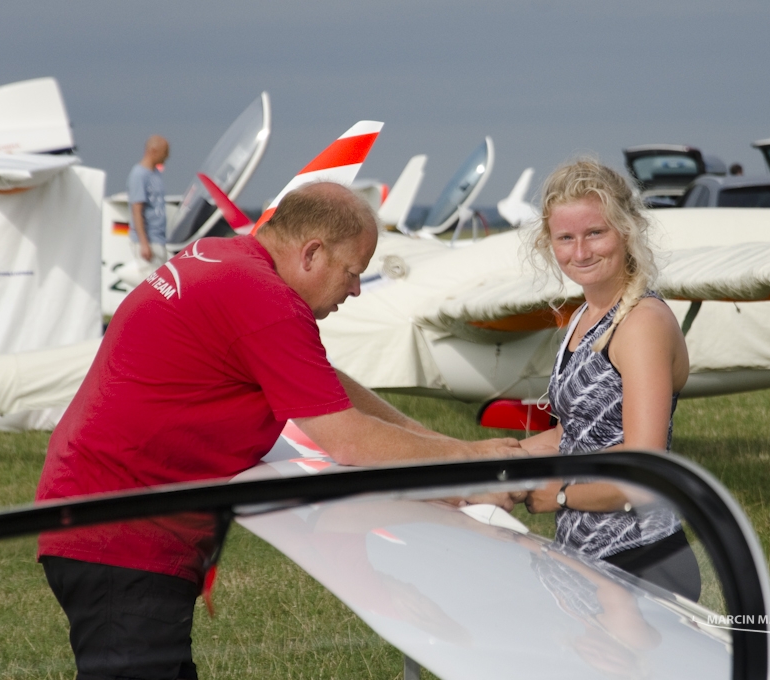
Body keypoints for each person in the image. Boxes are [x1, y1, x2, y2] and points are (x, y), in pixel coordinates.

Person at [35, 182, 523, 680]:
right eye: (352, 273)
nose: (355, 289)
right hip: (123, 537)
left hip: (98, 516)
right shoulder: (264, 298)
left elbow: (325, 383)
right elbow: (348, 440)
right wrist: (465, 469)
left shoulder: (223, 256)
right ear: (312, 253)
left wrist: (452, 450)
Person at [519, 159, 700, 601]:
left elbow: (643, 468)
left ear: (627, 231)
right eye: (566, 238)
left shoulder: (640, 323)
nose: (580, 252)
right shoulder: (585, 315)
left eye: (595, 233)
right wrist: (497, 460)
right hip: (587, 560)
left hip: (641, 561)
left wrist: (558, 496)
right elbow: (581, 432)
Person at [128, 135, 170, 278]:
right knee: (153, 283)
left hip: (159, 239)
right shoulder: (139, 175)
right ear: (153, 150)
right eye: (165, 152)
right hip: (148, 240)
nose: (167, 156)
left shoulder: (156, 174)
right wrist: (144, 243)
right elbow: (137, 211)